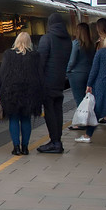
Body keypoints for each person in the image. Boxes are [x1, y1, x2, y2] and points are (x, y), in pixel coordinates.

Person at [0, 31, 43, 155]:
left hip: (11, 92)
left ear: (16, 41)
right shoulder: (35, 56)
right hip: (29, 92)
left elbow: (3, 73)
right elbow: (39, 75)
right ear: (29, 42)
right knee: (26, 119)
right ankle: (25, 148)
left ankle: (16, 147)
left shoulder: (8, 54)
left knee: (14, 119)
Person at [37, 13, 72, 154]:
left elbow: (40, 62)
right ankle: (58, 140)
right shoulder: (67, 40)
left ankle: (55, 142)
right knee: (58, 111)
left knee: (50, 112)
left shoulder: (47, 38)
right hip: (60, 81)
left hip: (47, 82)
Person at [66, 22, 95, 131]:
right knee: (86, 98)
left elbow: (72, 60)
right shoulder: (91, 45)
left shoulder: (76, 43)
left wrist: (67, 70)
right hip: (88, 73)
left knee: (79, 99)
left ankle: (81, 123)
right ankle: (87, 120)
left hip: (76, 75)